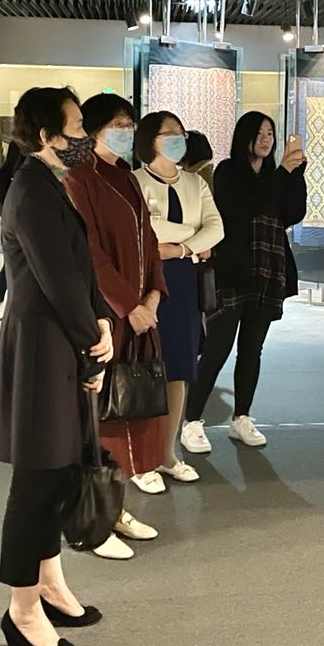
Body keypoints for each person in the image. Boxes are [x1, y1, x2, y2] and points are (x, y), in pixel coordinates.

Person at [0, 86, 113, 646]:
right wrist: (93, 341)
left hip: (60, 340)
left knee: (61, 468)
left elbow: (78, 269)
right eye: (76, 128)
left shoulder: (50, 183)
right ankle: (21, 606)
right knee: (38, 478)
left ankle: (49, 582)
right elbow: (58, 281)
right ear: (46, 136)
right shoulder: (32, 191)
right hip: (43, 347)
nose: (84, 138)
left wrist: (100, 321)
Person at [64, 93, 168, 558]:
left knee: (130, 409)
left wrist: (154, 294)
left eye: (130, 123)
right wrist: (128, 305)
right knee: (100, 416)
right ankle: (93, 519)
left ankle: (115, 506)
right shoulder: (79, 177)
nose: (126, 131)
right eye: (118, 123)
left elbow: (148, 238)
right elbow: (89, 252)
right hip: (105, 315)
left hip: (139, 312)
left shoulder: (125, 175)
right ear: (93, 129)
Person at [182, 112, 307, 452]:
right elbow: (247, 207)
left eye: (271, 134)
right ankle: (191, 420)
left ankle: (242, 417)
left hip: (268, 268)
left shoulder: (275, 174)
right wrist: (282, 174)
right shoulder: (228, 171)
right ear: (244, 136)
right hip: (233, 272)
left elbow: (292, 213)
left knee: (252, 349)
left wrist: (296, 175)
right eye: (259, 133)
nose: (266, 140)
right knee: (217, 348)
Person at [134, 111, 225, 483]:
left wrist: (181, 248)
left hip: (184, 281)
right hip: (146, 282)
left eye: (181, 133)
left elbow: (216, 228)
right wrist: (192, 235)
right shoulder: (135, 181)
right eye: (169, 133)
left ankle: (166, 455)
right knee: (145, 369)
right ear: (150, 140)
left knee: (179, 369)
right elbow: (146, 230)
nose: (178, 139)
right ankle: (141, 459)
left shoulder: (194, 182)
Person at [0, 137, 24, 320]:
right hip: (14, 223)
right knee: (11, 264)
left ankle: (1, 301)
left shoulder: (5, 175)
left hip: (10, 222)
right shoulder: (13, 176)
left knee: (11, 263)